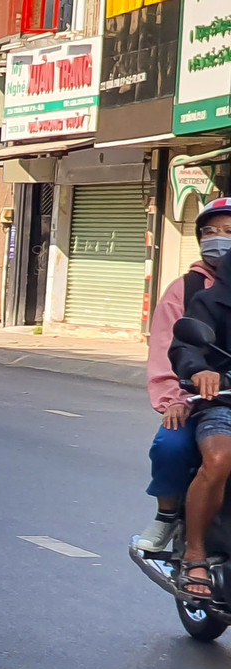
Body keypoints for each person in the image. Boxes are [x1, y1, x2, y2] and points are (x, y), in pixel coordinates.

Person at [136, 200, 231, 555]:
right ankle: (168, 515)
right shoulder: (188, 289)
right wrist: (175, 398)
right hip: (200, 397)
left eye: (228, 232)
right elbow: (168, 345)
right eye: (209, 231)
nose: (218, 239)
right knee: (171, 446)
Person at [162, 207, 231, 599]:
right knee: (219, 458)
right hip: (221, 401)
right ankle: (195, 554)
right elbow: (184, 345)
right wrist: (200, 372)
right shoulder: (207, 300)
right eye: (213, 231)